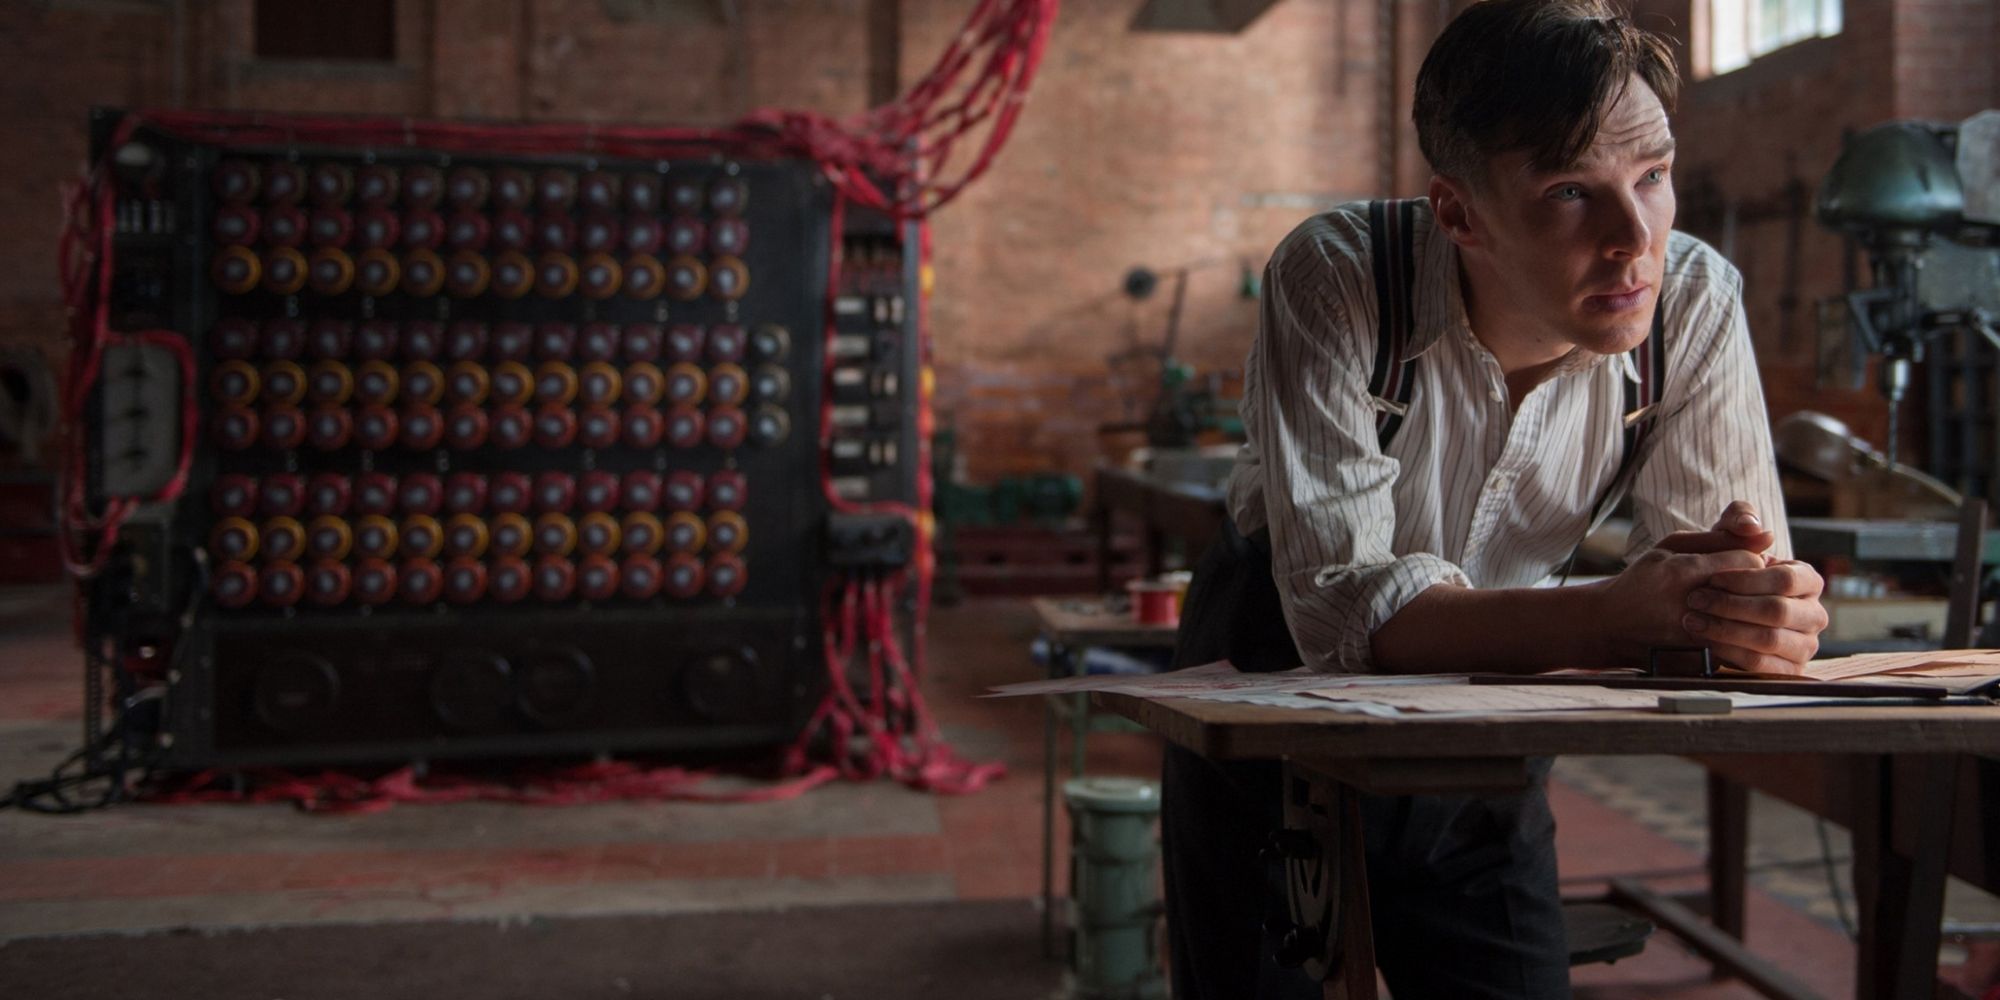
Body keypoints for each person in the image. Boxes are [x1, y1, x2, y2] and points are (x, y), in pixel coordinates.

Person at [1161, 1, 1831, 997]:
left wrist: (1748, 606)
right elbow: (1334, 609)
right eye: (1569, 193)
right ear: (1456, 213)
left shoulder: (1693, 302)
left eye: (1651, 177)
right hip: (1273, 668)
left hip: (1500, 692)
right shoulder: (1337, 278)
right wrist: (1614, 615)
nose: (1631, 240)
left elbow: (1731, 577)